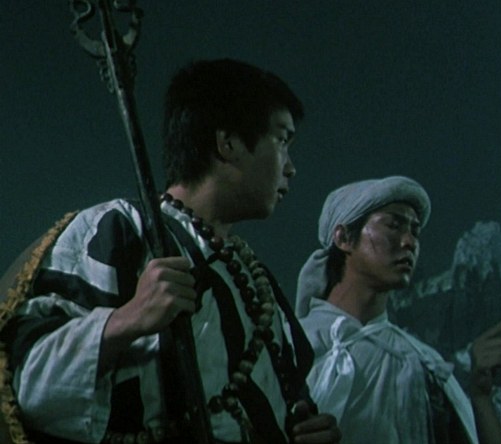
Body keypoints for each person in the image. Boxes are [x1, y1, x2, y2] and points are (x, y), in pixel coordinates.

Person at [0, 59, 340, 444]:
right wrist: (124, 321)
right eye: (281, 141)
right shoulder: (118, 230)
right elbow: (22, 380)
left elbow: (288, 396)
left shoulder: (252, 277)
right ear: (228, 144)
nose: (290, 168)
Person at [295, 176, 501, 444]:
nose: (409, 241)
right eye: (393, 226)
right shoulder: (291, 345)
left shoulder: (423, 366)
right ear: (344, 238)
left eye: (415, 231)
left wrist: (480, 394)